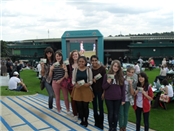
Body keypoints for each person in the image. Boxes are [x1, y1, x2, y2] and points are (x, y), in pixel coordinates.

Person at [102, 60, 125, 131]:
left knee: (116, 114)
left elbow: (123, 89)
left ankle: (114, 127)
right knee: (110, 113)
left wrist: (123, 99)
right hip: (109, 98)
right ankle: (110, 127)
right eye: (115, 66)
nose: (116, 68)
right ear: (112, 66)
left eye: (117, 67)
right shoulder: (106, 75)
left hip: (117, 98)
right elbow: (103, 87)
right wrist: (108, 82)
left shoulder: (120, 76)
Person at [71, 56, 94, 127]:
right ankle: (82, 120)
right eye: (80, 61)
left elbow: (91, 80)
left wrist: (88, 84)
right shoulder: (75, 70)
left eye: (82, 61)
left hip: (86, 89)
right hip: (78, 89)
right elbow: (73, 80)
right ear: (78, 62)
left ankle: (86, 120)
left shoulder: (88, 70)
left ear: (85, 62)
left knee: (85, 106)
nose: (81, 63)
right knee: (79, 106)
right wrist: (75, 85)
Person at [90, 55, 106, 129]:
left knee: (101, 107)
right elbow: (88, 79)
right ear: (91, 61)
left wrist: (104, 92)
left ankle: (101, 123)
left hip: (101, 91)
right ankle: (96, 122)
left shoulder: (102, 69)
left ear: (98, 60)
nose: (94, 62)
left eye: (95, 60)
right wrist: (91, 80)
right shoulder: (90, 69)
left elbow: (105, 81)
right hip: (93, 91)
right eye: (92, 60)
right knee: (95, 107)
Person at [119, 67, 136, 131]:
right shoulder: (122, 78)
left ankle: (124, 127)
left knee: (126, 113)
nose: (130, 74)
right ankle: (120, 126)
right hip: (121, 98)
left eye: (132, 72)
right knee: (120, 113)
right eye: (129, 72)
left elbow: (132, 93)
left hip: (128, 99)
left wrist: (131, 84)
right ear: (127, 72)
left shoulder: (134, 81)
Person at [68, 50, 80, 121]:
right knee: (73, 99)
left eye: (76, 54)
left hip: (80, 84)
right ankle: (75, 113)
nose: (75, 56)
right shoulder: (69, 65)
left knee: (80, 99)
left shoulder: (81, 63)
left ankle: (80, 113)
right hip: (71, 84)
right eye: (73, 55)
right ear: (71, 56)